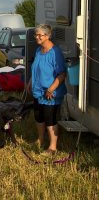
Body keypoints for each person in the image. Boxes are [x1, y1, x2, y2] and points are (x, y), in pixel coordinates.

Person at [27, 24, 67, 154]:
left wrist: (51, 89)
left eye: (40, 35)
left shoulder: (55, 53)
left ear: (48, 36)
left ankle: (52, 147)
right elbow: (36, 69)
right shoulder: (39, 50)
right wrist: (30, 82)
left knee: (50, 120)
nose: (37, 37)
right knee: (39, 117)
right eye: (36, 34)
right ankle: (40, 139)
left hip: (50, 93)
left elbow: (62, 74)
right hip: (38, 91)